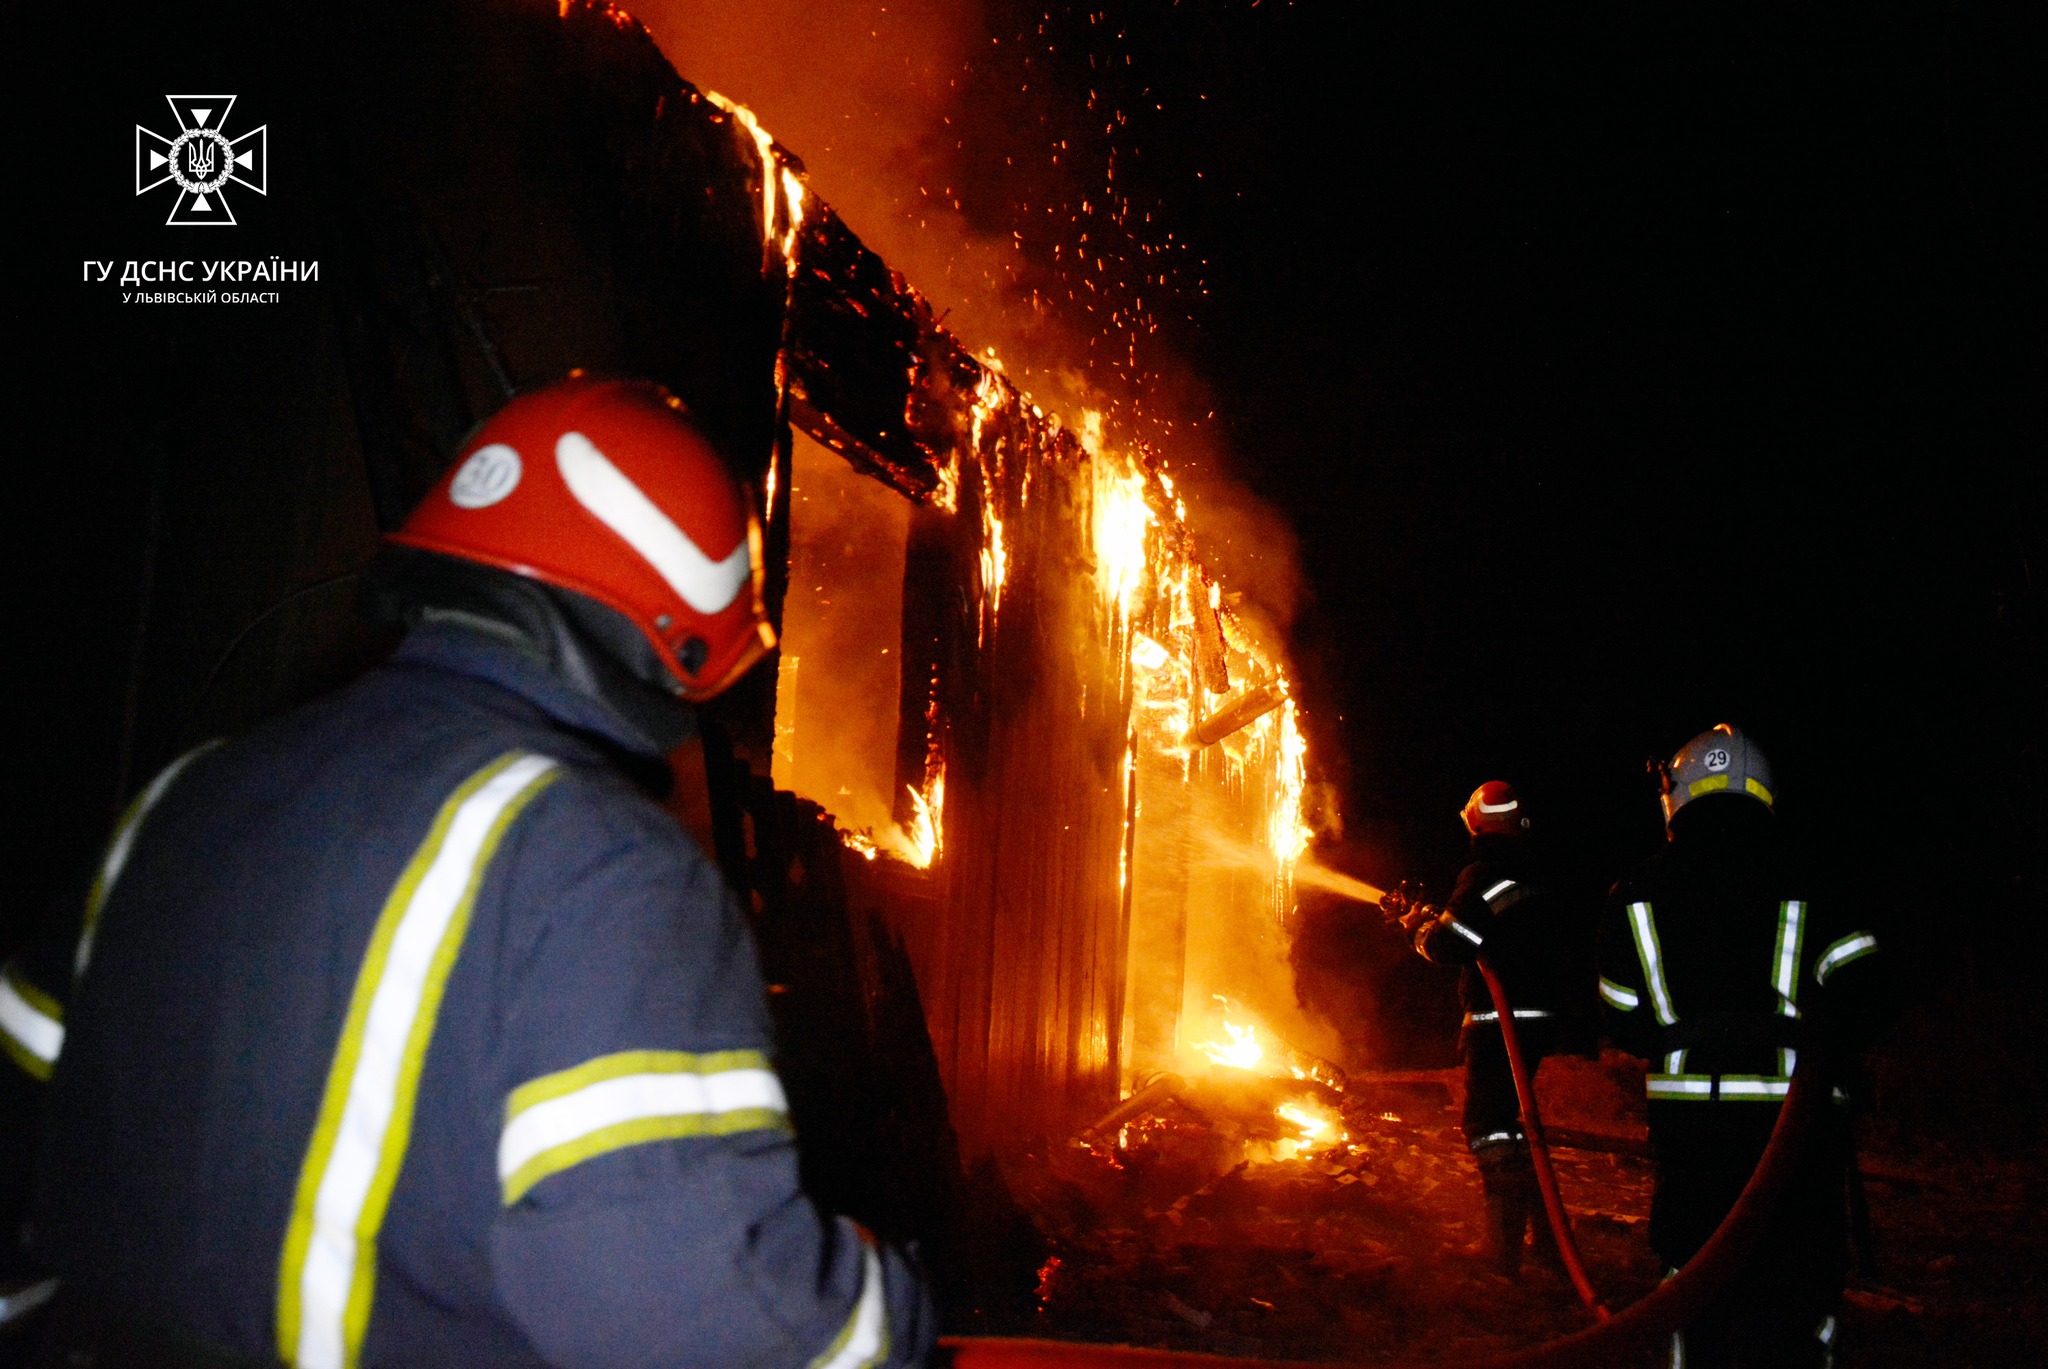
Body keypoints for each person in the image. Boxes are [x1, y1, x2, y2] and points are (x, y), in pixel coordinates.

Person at [0, 374, 934, 1369]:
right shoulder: (601, 868)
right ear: (677, 644)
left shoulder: (186, 795)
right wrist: (895, 1311)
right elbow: (693, 1307)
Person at [1600, 724, 1882, 1368]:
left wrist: (1688, 1035)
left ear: (1677, 796)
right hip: (1799, 1136)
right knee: (1799, 1285)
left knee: (1695, 1285)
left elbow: (1622, 1020)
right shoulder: (1815, 879)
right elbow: (1866, 994)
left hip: (1692, 1135)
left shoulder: (1636, 892)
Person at [1397, 780, 1581, 1275]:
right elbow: (1484, 928)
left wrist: (1418, 931)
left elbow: (1450, 945)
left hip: (1498, 1021)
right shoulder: (1531, 870)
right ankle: (1548, 1242)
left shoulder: (1484, 873)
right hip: (1536, 1016)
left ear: (1474, 821)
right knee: (1518, 1127)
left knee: (1487, 1126)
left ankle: (1502, 1250)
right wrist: (1434, 918)